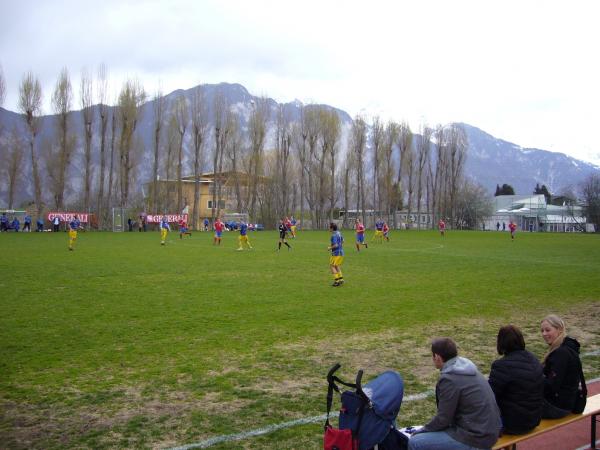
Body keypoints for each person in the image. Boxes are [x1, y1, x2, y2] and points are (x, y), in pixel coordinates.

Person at [409, 338, 501, 450]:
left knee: (415, 442)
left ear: (437, 357)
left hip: (476, 438)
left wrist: (421, 430)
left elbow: (443, 419)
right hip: (489, 431)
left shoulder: (449, 379)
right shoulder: (468, 368)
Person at [488, 325, 544, 435]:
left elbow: (490, 395)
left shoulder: (502, 366)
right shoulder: (533, 358)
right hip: (534, 418)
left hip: (513, 423)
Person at [540, 314, 583, 418]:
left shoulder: (561, 353)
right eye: (542, 331)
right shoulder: (567, 347)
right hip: (567, 402)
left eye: (548, 330)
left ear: (559, 330)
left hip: (559, 406)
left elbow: (551, 386)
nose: (544, 334)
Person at [328, 222, 344, 287]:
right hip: (341, 252)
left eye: (329, 227)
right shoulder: (339, 233)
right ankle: (341, 279)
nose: (328, 229)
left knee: (332, 266)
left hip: (336, 253)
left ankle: (337, 281)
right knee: (336, 265)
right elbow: (343, 241)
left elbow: (336, 245)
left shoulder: (334, 235)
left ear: (332, 228)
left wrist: (330, 248)